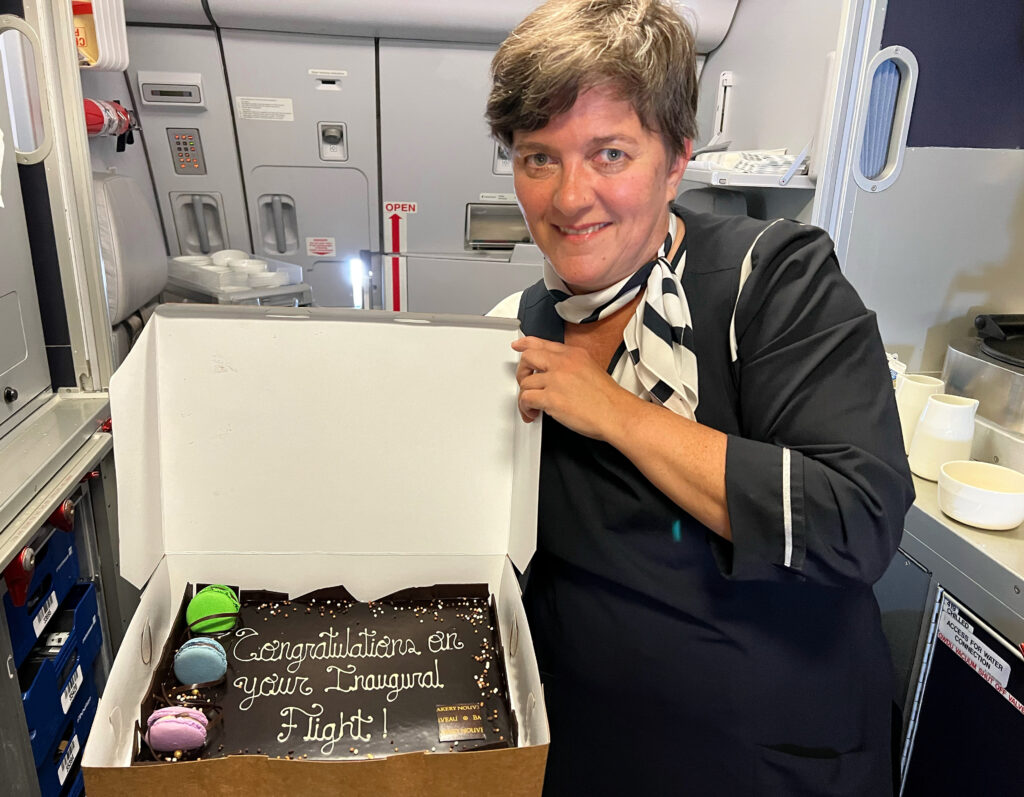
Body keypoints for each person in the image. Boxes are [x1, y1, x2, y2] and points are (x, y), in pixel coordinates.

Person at [485, 1, 915, 794]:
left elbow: (855, 519)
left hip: (763, 761)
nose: (569, 196)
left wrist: (613, 410)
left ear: (678, 158)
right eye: (538, 157)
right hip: (586, 750)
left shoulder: (773, 278)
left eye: (609, 153)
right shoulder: (527, 322)